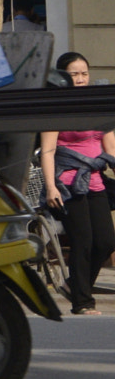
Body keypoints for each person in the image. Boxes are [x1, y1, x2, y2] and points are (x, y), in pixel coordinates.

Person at [40, 51, 115, 315]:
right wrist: (50, 186)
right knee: (83, 241)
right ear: (63, 78)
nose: (81, 79)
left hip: (94, 181)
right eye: (75, 74)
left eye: (84, 73)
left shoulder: (97, 105)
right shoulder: (56, 107)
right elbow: (48, 151)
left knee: (105, 242)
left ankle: (74, 284)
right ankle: (83, 302)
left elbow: (110, 147)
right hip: (67, 183)